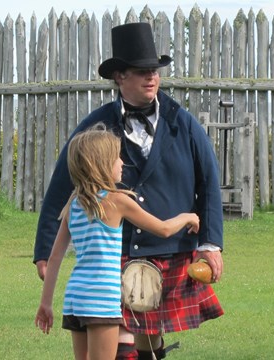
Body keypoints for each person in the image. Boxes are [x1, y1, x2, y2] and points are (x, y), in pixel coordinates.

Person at [33, 22, 224, 360]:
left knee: (149, 347)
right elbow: (63, 184)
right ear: (120, 76)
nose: (151, 77)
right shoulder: (96, 127)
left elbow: (208, 181)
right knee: (120, 351)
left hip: (169, 250)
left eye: (155, 71)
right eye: (141, 71)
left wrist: (210, 243)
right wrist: (44, 250)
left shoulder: (184, 123)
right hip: (114, 256)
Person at [34, 124, 200, 360]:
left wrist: (46, 304)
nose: (122, 163)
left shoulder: (73, 204)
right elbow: (163, 229)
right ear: (101, 165)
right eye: (117, 158)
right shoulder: (117, 201)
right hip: (102, 299)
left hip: (75, 298)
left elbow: (54, 258)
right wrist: (188, 216)